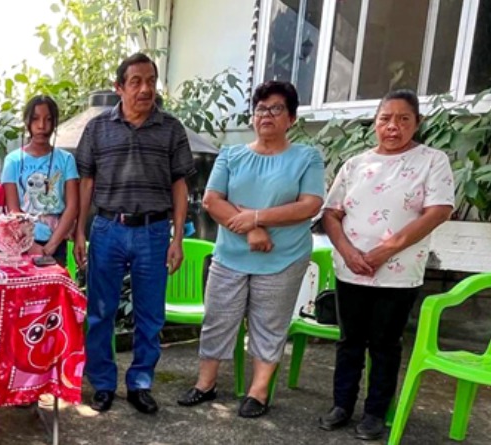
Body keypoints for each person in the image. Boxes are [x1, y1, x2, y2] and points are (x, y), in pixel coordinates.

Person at [176, 80, 325, 418]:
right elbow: (213, 201)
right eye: (260, 109)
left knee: (269, 324)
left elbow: (310, 205)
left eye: (276, 109)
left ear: (291, 117)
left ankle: (258, 392)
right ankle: (205, 384)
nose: (266, 115)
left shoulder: (306, 157)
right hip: (231, 255)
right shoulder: (232, 154)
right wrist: (253, 229)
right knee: (218, 319)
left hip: (284, 257)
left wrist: (257, 215)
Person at [318, 90, 454, 440]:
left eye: (403, 119)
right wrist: (348, 252)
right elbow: (332, 213)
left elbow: (439, 210)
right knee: (349, 341)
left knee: (384, 344)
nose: (393, 126)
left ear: (417, 123)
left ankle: (375, 412)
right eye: (385, 119)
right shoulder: (356, 164)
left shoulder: (431, 160)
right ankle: (341, 405)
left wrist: (383, 252)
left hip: (397, 273)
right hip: (351, 269)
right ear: (375, 123)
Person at [75, 53, 194, 415]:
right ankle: (103, 382)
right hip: (108, 228)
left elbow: (180, 185)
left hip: (153, 232)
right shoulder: (97, 129)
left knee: (150, 315)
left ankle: (141, 382)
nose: (145, 89)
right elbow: (86, 183)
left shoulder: (171, 129)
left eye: (151, 81)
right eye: (136, 82)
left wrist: (177, 239)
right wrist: (80, 232)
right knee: (100, 311)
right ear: (119, 87)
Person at [1, 95, 79, 265]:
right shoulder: (13, 160)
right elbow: (13, 209)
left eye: (48, 119)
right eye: (35, 119)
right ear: (27, 121)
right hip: (22, 242)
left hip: (57, 242)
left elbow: (72, 206)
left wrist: (52, 245)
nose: (42, 126)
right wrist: (30, 245)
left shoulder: (66, 159)